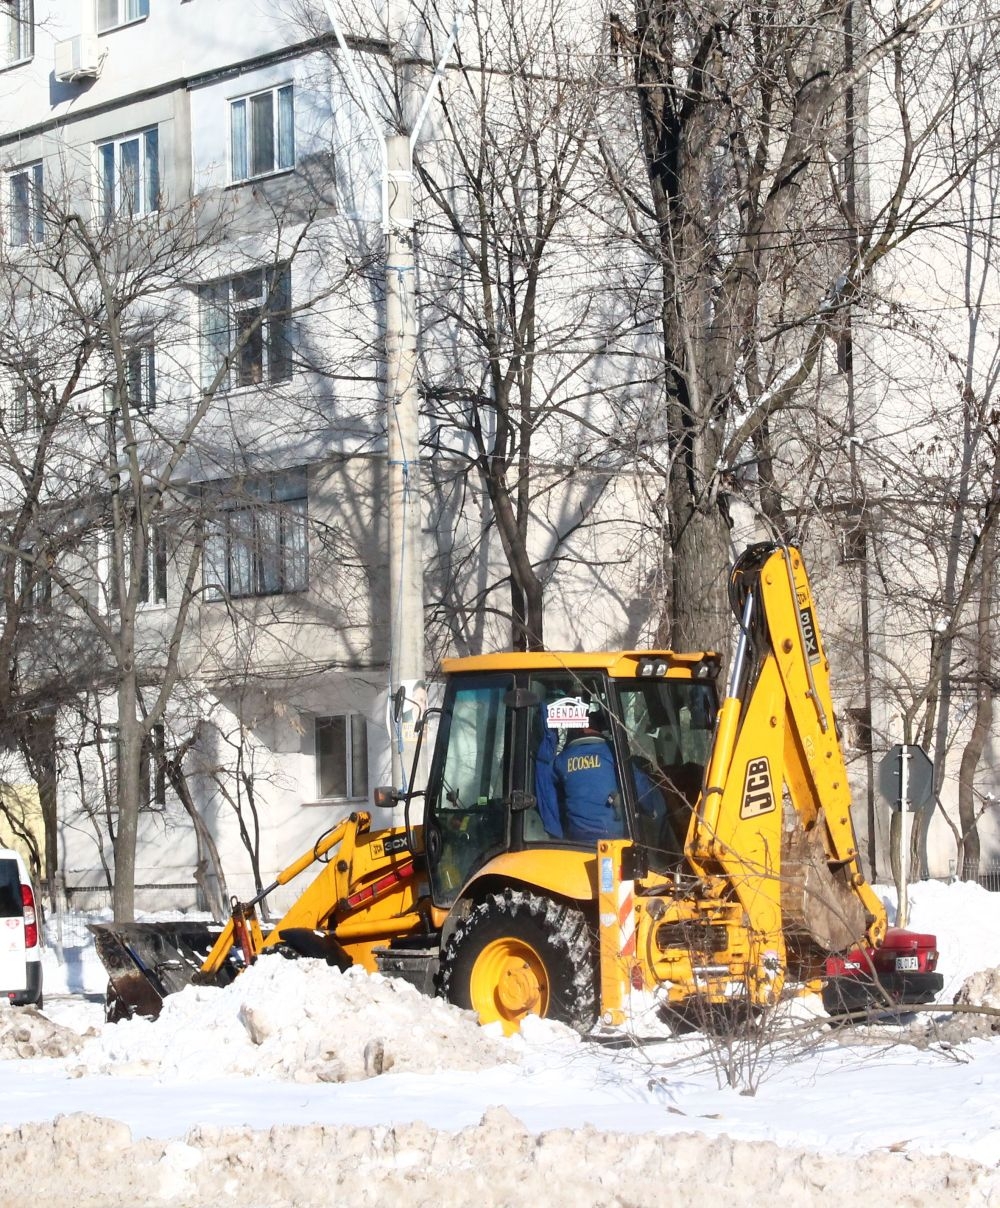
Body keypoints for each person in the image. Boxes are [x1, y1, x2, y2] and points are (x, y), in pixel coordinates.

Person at [552, 708, 665, 842]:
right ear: (599, 729)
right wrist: (652, 810)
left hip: (576, 837)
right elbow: (639, 786)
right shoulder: (613, 752)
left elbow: (552, 792)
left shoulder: (562, 759)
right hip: (610, 836)